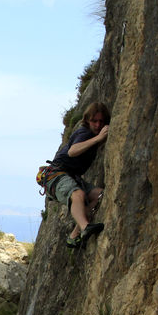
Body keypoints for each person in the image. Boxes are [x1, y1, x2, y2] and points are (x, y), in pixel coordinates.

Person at [45, 102, 110, 248]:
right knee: (77, 194)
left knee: (100, 195)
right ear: (87, 120)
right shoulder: (84, 133)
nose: (98, 125)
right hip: (56, 174)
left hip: (72, 176)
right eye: (94, 121)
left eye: (101, 121)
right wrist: (99, 138)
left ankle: (74, 235)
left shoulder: (93, 134)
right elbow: (72, 151)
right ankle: (85, 227)